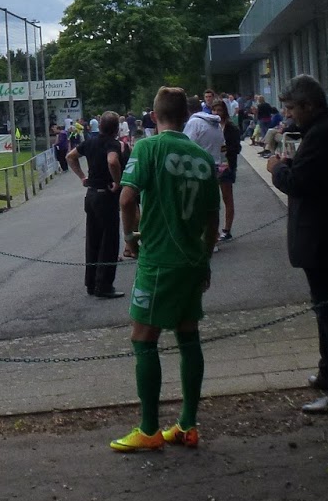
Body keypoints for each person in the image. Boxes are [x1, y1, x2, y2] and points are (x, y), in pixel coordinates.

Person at [111, 87, 220, 452]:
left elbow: (127, 198)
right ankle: (188, 424)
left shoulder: (147, 148)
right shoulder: (203, 158)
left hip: (159, 260)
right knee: (189, 337)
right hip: (192, 260)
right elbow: (212, 221)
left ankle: (148, 429)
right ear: (187, 118)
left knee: (144, 339)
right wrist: (204, 260)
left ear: (154, 117)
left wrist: (130, 239)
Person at [269, 74, 328, 414]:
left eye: (292, 108)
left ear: (309, 105)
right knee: (326, 308)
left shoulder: (324, 134)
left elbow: (300, 182)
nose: (289, 116)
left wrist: (277, 169)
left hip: (323, 235)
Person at [66, 112, 124, 299]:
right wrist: (117, 181)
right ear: (116, 129)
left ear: (99, 126)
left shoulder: (90, 142)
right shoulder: (112, 143)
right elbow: (113, 161)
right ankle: (104, 284)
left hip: (91, 195)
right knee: (109, 241)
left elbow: (70, 156)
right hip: (106, 195)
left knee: (93, 240)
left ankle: (91, 282)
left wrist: (83, 176)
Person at [215, 99, 243, 242]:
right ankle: (214, 230)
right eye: (214, 110)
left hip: (227, 165)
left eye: (219, 110)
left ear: (224, 111)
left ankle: (227, 229)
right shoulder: (211, 125)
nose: (217, 113)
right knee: (213, 199)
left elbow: (237, 148)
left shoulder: (231, 127)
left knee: (227, 198)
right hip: (214, 165)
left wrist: (225, 149)